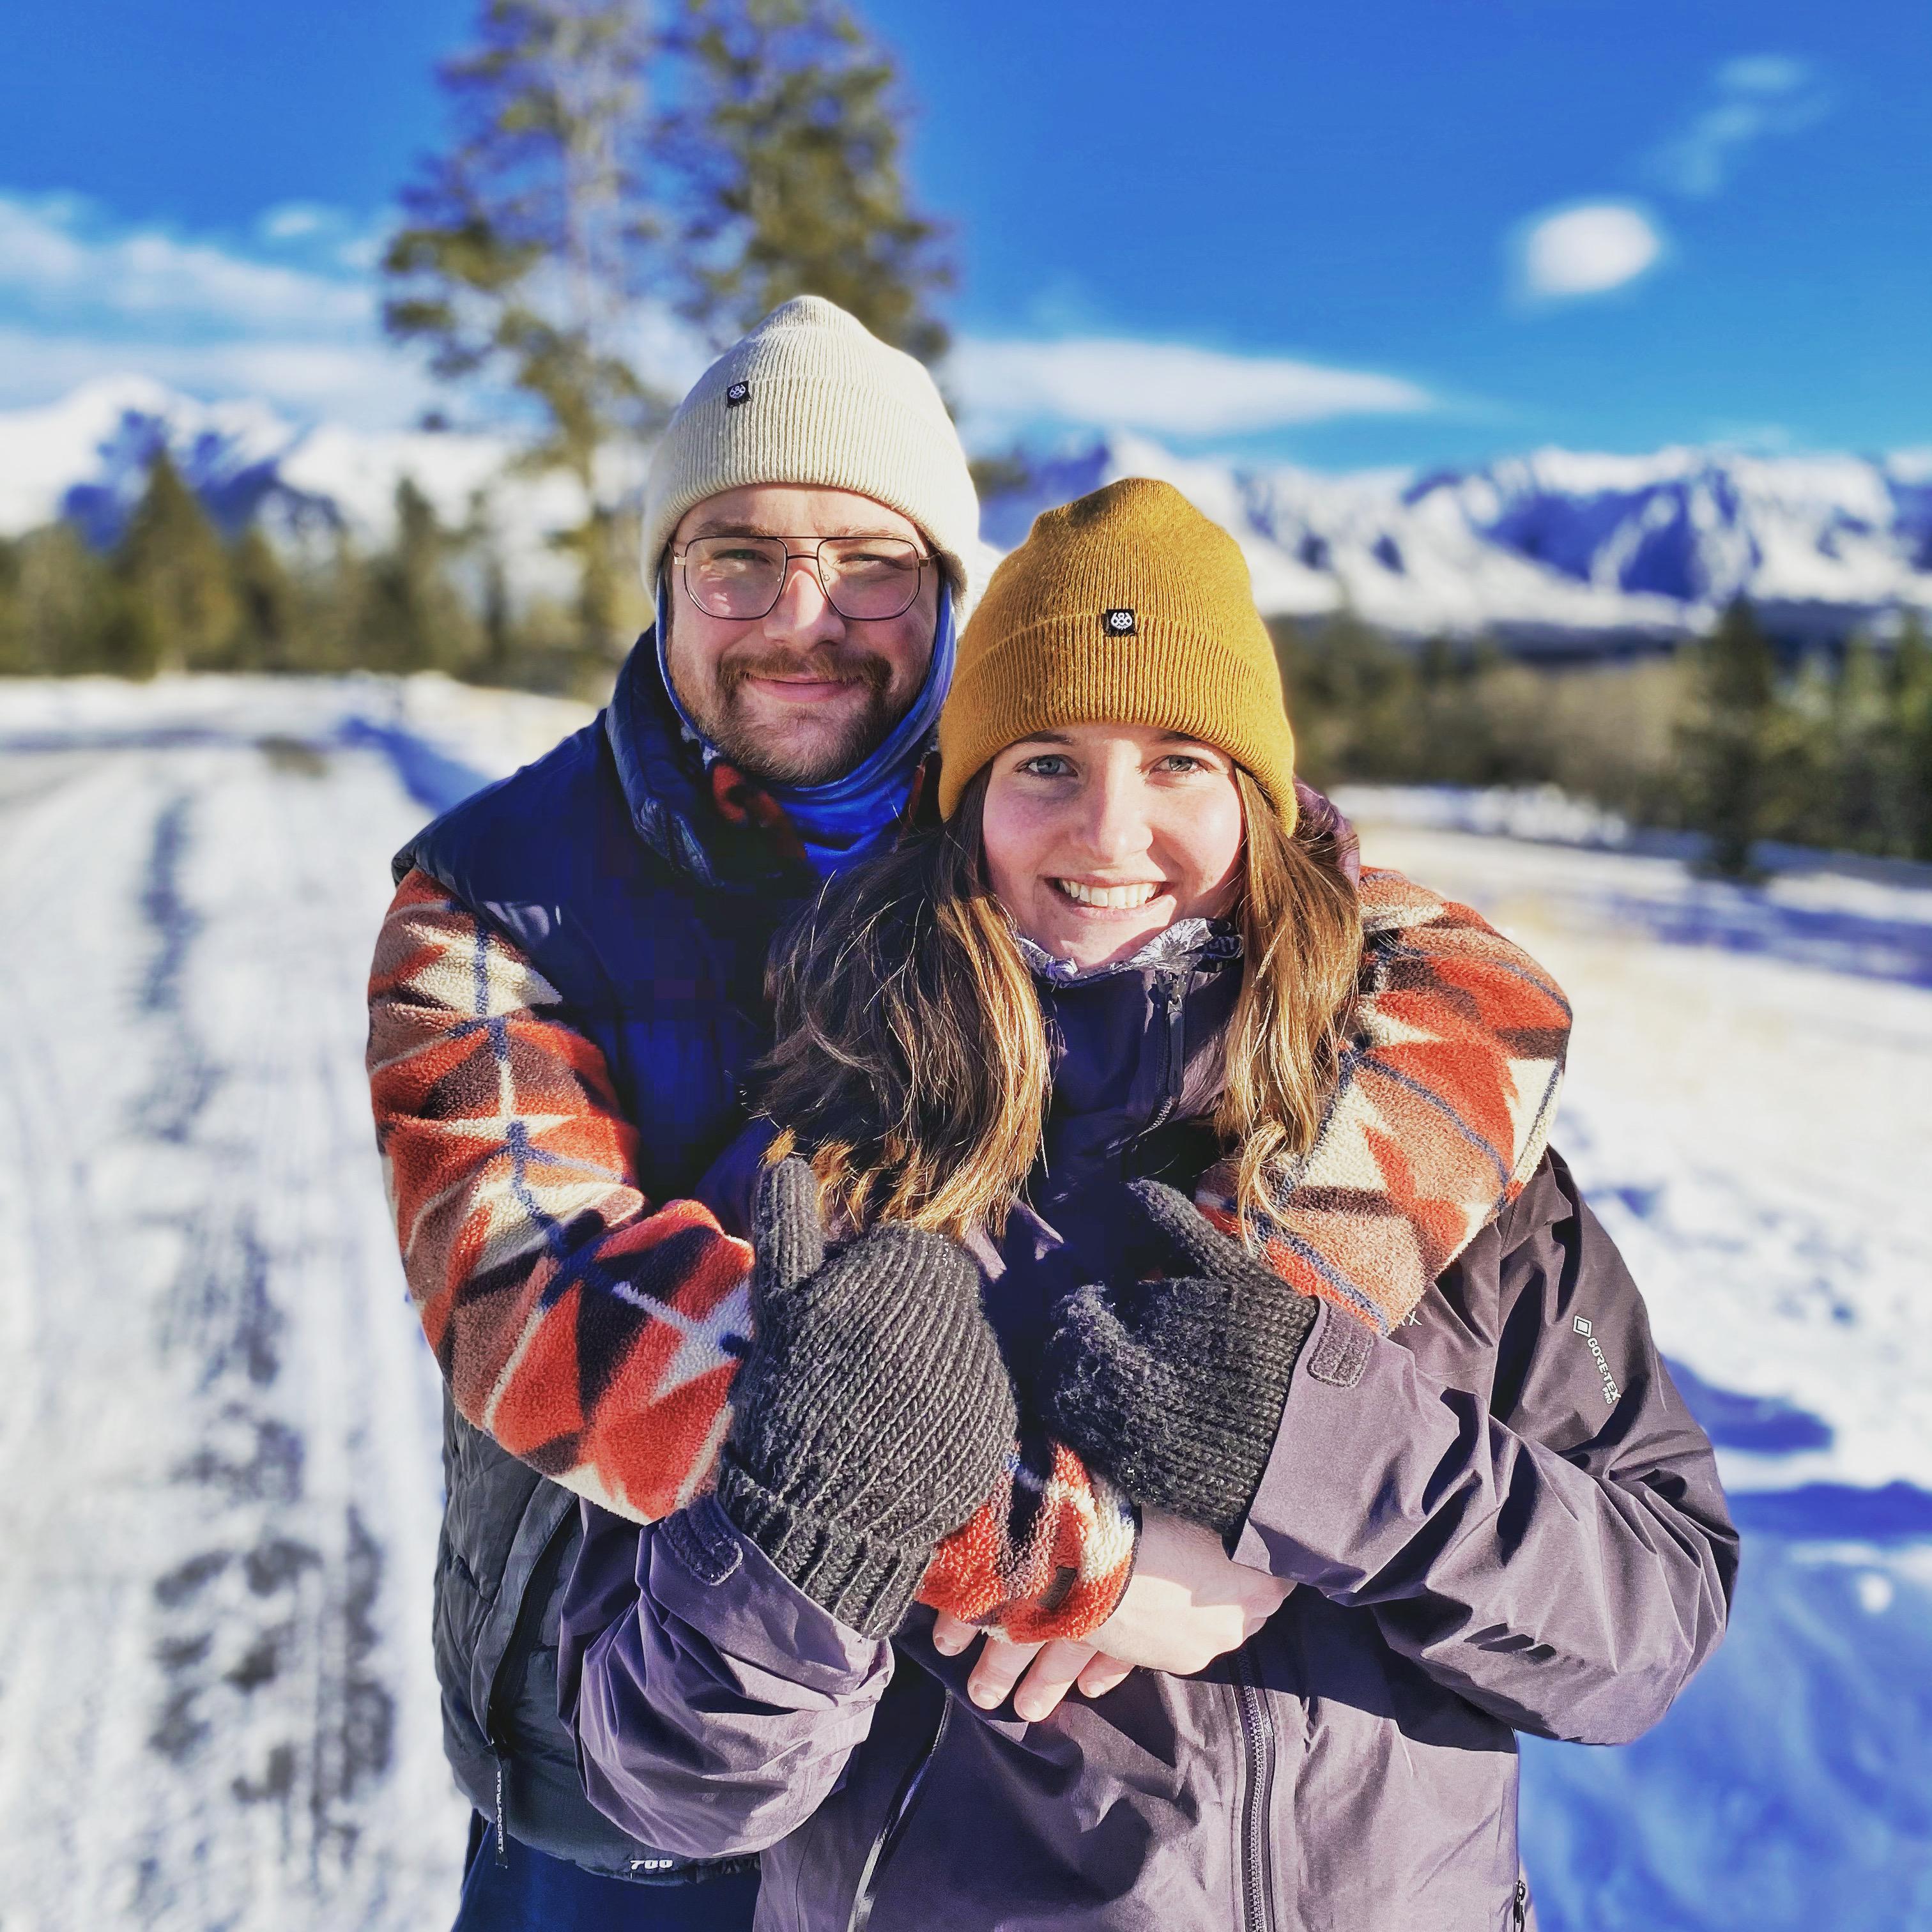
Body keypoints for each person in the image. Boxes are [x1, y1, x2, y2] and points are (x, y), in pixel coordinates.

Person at [369, 297, 1572, 1924]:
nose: (805, 617)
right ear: (664, 582)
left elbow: (1468, 988)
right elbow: (534, 1301)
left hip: (937, 1783)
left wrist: (1256, 1373)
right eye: (740, 557)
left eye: (869, 563)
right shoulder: (489, 898)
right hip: (620, 1755)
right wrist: (1066, 1547)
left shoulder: (1035, 794)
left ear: (943, 591)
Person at [556, 479, 1739, 1931]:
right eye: (1045, 760)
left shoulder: (1439, 1160)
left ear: (1258, 800)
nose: (1112, 832)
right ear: (969, 800)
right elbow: (659, 1779)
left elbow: (1652, 1623)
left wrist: (1332, 1459)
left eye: (1179, 760)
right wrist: (809, 1540)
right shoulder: (818, 1177)